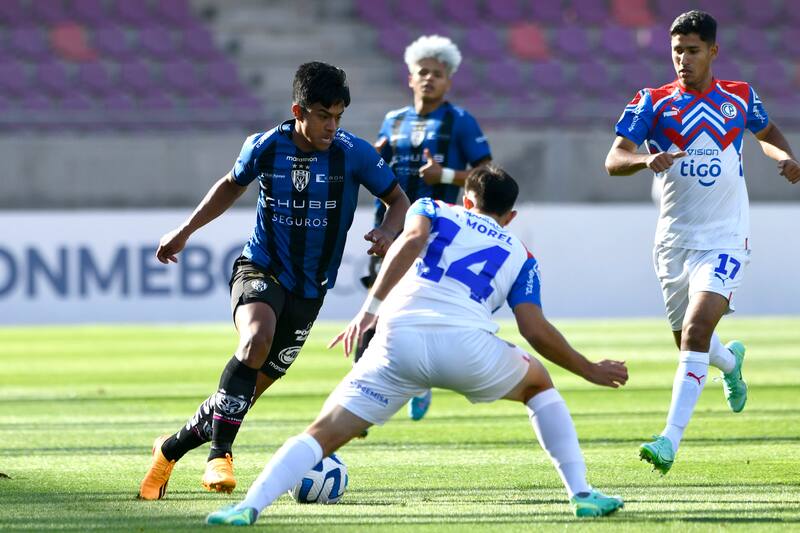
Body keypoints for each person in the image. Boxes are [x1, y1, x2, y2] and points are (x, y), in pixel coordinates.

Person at [205, 166, 628, 526]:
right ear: (511, 215)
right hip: (468, 348)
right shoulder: (522, 253)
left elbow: (408, 244)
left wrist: (369, 310)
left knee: (321, 434)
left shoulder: (431, 207)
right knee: (538, 384)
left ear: (467, 199)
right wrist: (589, 368)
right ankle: (582, 494)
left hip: (398, 340)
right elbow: (534, 330)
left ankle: (248, 506)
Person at [137, 61, 410, 500]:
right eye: (324, 116)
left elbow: (398, 199)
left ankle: (168, 451)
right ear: (298, 110)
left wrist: (389, 229)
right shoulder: (265, 146)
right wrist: (184, 231)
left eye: (338, 116)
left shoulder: (353, 153)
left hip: (310, 290)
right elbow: (230, 184)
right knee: (254, 341)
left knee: (238, 398)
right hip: (261, 267)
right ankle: (219, 457)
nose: (331, 126)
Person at [605, 10, 800, 475]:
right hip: (674, 242)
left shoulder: (739, 98)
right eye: (676, 52)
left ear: (713, 51)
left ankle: (668, 440)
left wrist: (786, 156)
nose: (683, 60)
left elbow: (767, 132)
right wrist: (644, 160)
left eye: (692, 51)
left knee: (694, 334)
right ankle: (730, 362)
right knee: (689, 343)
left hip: (726, 238)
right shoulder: (652, 102)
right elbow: (613, 160)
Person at [358, 34, 492, 423]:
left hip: (437, 233)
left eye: (438, 73)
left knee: (418, 309)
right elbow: (378, 165)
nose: (430, 78)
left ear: (449, 81)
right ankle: (362, 395)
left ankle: (418, 380)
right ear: (410, 78)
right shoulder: (393, 120)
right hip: (391, 227)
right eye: (423, 72)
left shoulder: (460, 121)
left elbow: (488, 173)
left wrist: (445, 174)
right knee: (378, 307)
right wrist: (375, 156)